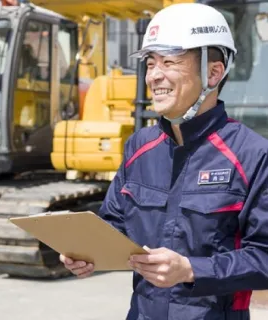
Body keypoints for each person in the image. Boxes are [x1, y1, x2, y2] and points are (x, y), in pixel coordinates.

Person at [60, 3, 268, 320]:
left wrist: (191, 270)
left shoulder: (252, 156)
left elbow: (264, 258)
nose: (154, 75)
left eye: (169, 62)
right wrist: (88, 253)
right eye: (151, 63)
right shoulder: (139, 147)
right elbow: (114, 226)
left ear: (213, 72)